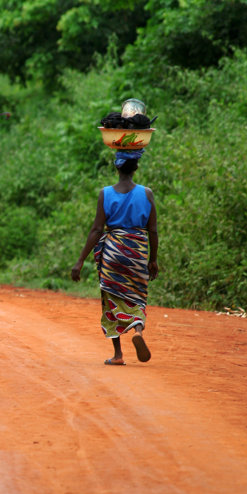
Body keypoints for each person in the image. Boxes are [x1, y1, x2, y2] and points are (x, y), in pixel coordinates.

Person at [70, 150, 159, 365]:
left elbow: (97, 229)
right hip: (137, 252)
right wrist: (153, 260)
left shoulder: (105, 194)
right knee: (137, 296)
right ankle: (137, 328)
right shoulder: (147, 194)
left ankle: (118, 355)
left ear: (116, 167)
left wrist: (80, 260)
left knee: (111, 299)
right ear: (136, 168)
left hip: (113, 253)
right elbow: (153, 230)